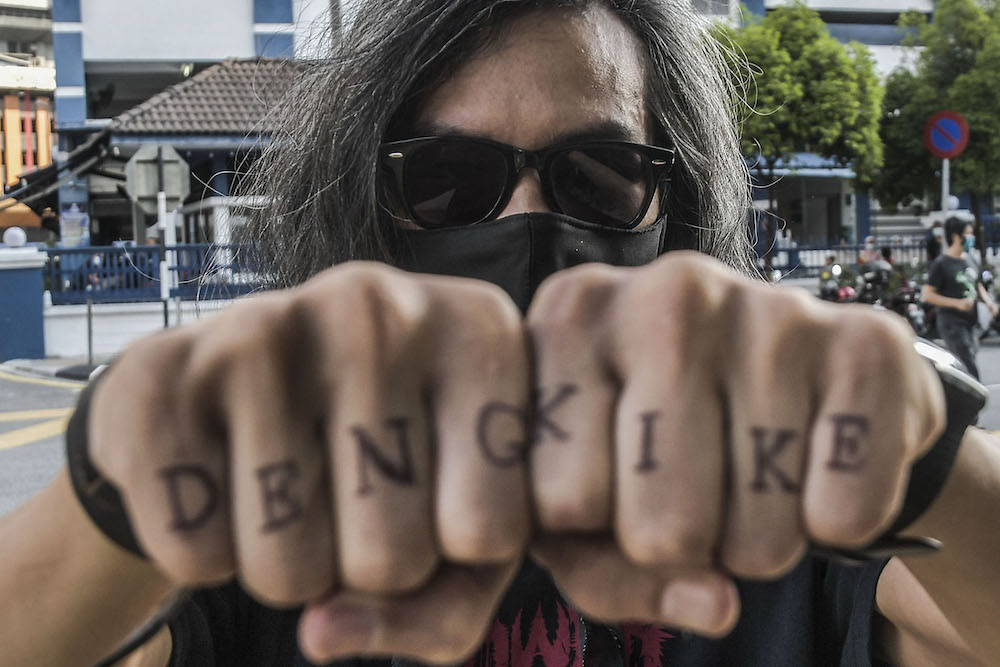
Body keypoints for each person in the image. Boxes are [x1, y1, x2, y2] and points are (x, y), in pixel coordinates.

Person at [3, 2, 999, 666]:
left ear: (674, 205)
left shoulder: (777, 490)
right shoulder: (271, 500)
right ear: (368, 204)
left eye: (597, 177)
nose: (524, 219)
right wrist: (128, 479)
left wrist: (915, 437)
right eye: (446, 180)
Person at [923, 217, 998, 380]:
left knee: (966, 360)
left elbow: (977, 285)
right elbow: (928, 294)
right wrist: (956, 303)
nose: (972, 238)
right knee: (968, 364)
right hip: (951, 323)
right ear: (956, 236)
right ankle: (974, 398)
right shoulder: (941, 264)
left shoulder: (970, 259)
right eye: (968, 234)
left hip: (971, 322)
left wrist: (989, 303)